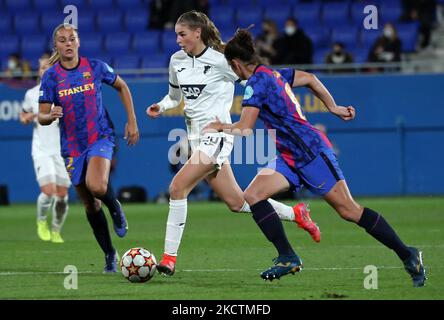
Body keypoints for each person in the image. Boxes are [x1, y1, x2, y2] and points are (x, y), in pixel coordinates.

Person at [204, 28, 426, 287]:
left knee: (349, 211)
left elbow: (243, 129)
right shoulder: (274, 74)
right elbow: (309, 78)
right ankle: (287, 256)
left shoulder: (256, 84)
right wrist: (332, 107)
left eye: (232, 67)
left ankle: (408, 254)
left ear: (236, 64)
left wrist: (220, 126)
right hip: (289, 156)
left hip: (311, 153)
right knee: (252, 196)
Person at [146, 11, 320, 277]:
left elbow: (257, 79)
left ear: (197, 33)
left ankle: (169, 258)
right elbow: (174, 96)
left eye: (182, 34)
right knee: (236, 202)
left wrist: (285, 96)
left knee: (177, 187)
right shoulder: (176, 60)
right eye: (176, 35)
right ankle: (296, 214)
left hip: (218, 137)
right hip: (196, 140)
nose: (178, 40)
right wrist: (161, 105)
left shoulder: (221, 62)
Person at [38, 23, 140, 273]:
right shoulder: (51, 76)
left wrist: (132, 120)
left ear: (78, 42)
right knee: (89, 204)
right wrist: (50, 115)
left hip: (100, 137)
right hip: (72, 146)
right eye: (62, 40)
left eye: (71, 39)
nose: (68, 44)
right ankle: (109, 254)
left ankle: (114, 206)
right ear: (57, 46)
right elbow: (40, 116)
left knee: (97, 187)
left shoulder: (95, 66)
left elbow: (122, 86)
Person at [20, 55, 70, 244]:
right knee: (48, 191)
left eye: (49, 68)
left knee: (62, 196)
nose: (45, 71)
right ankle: (41, 221)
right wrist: (26, 118)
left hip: (62, 150)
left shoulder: (64, 91)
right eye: (42, 68)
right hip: (42, 150)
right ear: (39, 71)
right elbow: (24, 114)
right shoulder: (32, 94)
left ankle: (56, 229)